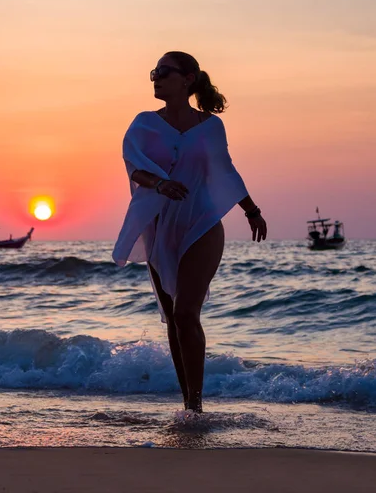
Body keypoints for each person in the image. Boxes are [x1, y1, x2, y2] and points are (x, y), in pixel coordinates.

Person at [112, 51, 267, 413]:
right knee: (172, 317)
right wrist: (161, 184)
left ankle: (196, 407)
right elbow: (134, 167)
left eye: (164, 72)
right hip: (159, 227)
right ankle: (188, 406)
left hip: (202, 224)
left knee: (185, 313)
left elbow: (224, 169)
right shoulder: (144, 123)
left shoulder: (211, 126)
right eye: (154, 71)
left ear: (188, 78)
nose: (156, 77)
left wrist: (251, 210)